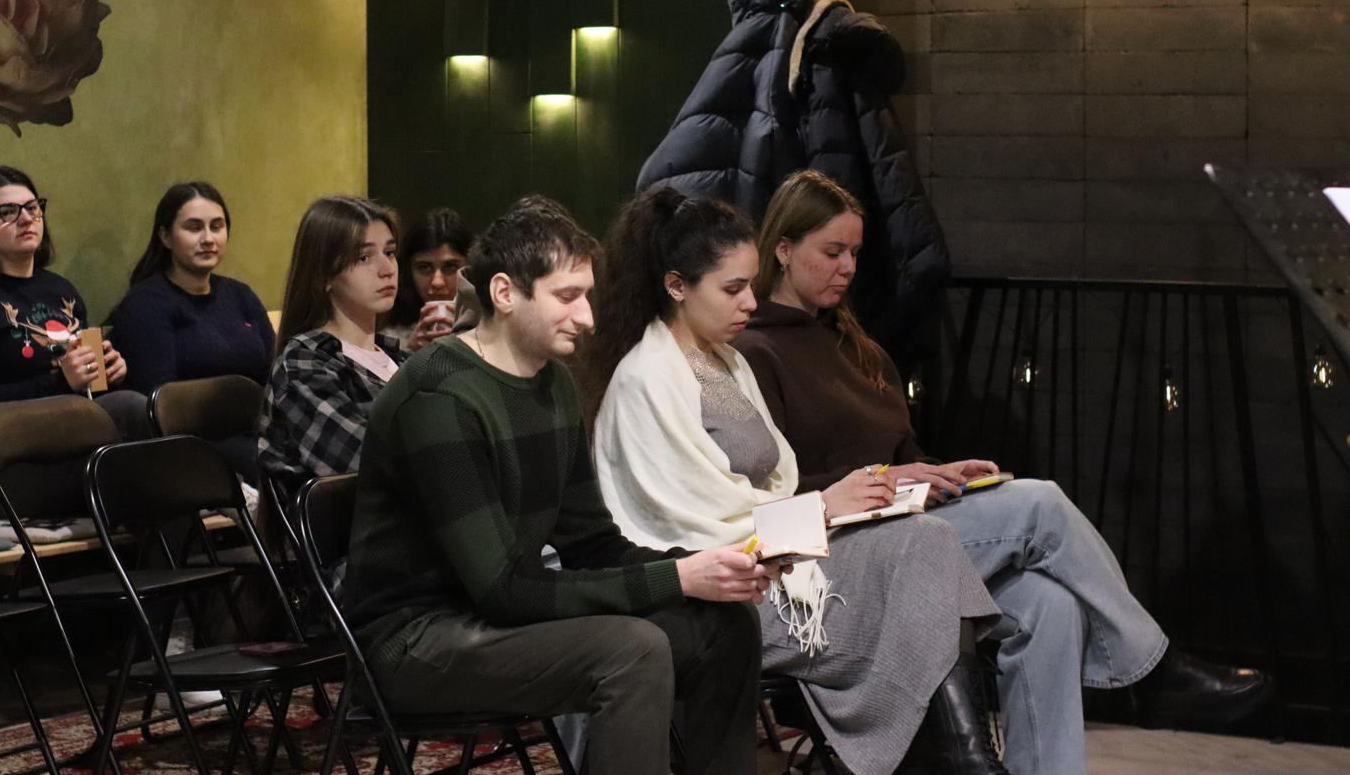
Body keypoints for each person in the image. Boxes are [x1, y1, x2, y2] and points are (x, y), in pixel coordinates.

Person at [733, 168, 1277, 775]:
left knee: (1049, 605)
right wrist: (885, 478)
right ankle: (1152, 670)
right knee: (1039, 503)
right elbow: (768, 493)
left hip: (908, 525)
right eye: (832, 251)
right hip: (838, 549)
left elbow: (901, 453)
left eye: (855, 253)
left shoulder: (862, 351)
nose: (848, 267)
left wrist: (939, 470)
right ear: (784, 249)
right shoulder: (755, 352)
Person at [345, 196, 772, 775]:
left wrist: (704, 570)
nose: (588, 317)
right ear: (505, 293)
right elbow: (502, 589)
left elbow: (593, 544)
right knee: (632, 651)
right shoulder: (439, 397)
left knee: (725, 623)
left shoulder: (554, 383)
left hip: (491, 618)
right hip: (416, 641)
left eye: (587, 295)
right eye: (567, 296)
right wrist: (677, 577)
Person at [585, 187, 1005, 775]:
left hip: (786, 558)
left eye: (750, 285)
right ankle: (967, 762)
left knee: (927, 547)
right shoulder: (646, 379)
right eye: (732, 289)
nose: (749, 302)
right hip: (726, 587)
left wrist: (828, 509)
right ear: (677, 286)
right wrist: (824, 507)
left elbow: (771, 488)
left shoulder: (726, 361)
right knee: (925, 553)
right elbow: (695, 525)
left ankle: (964, 760)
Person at [0, 164, 149, 516]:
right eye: (6, 212)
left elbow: (86, 394)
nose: (27, 219)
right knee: (135, 469)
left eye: (32, 207)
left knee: (142, 430)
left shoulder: (60, 290)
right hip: (0, 469)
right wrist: (60, 382)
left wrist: (106, 373)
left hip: (74, 445)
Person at [108, 181, 275, 482]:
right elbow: (161, 404)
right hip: (191, 447)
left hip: (256, 432)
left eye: (217, 226)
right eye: (194, 227)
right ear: (165, 237)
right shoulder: (145, 305)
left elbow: (272, 375)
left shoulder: (240, 296)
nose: (208, 238)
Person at [256, 196, 407, 498]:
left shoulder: (403, 358)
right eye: (364, 257)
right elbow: (367, 462)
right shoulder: (302, 365)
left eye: (390, 252)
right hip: (361, 524)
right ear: (325, 275)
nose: (387, 269)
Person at [381, 207, 471, 352]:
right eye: (424, 268)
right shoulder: (387, 335)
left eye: (450, 267)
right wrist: (409, 350)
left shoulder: (493, 327)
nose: (437, 282)